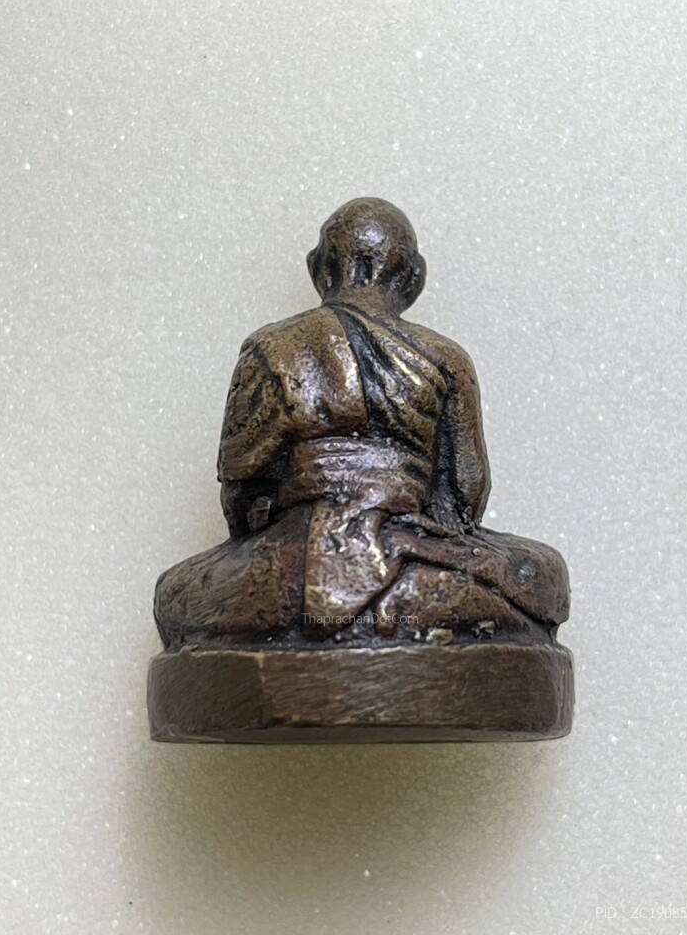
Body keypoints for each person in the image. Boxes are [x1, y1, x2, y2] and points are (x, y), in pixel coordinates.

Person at [155, 198, 569, 649]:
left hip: (287, 564)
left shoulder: (271, 347)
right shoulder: (446, 359)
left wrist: (272, 538)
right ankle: (401, 607)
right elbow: (466, 496)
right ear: (414, 278)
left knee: (176, 593)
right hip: (414, 557)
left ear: (317, 269)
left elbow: (240, 492)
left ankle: (299, 617)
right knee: (539, 572)